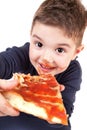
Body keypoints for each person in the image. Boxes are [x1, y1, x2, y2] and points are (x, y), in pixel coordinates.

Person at [0, 0, 87, 130]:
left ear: (76, 52)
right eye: (39, 44)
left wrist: (51, 97)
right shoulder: (19, 56)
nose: (46, 58)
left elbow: (63, 115)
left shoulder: (72, 71)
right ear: (31, 36)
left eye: (60, 50)